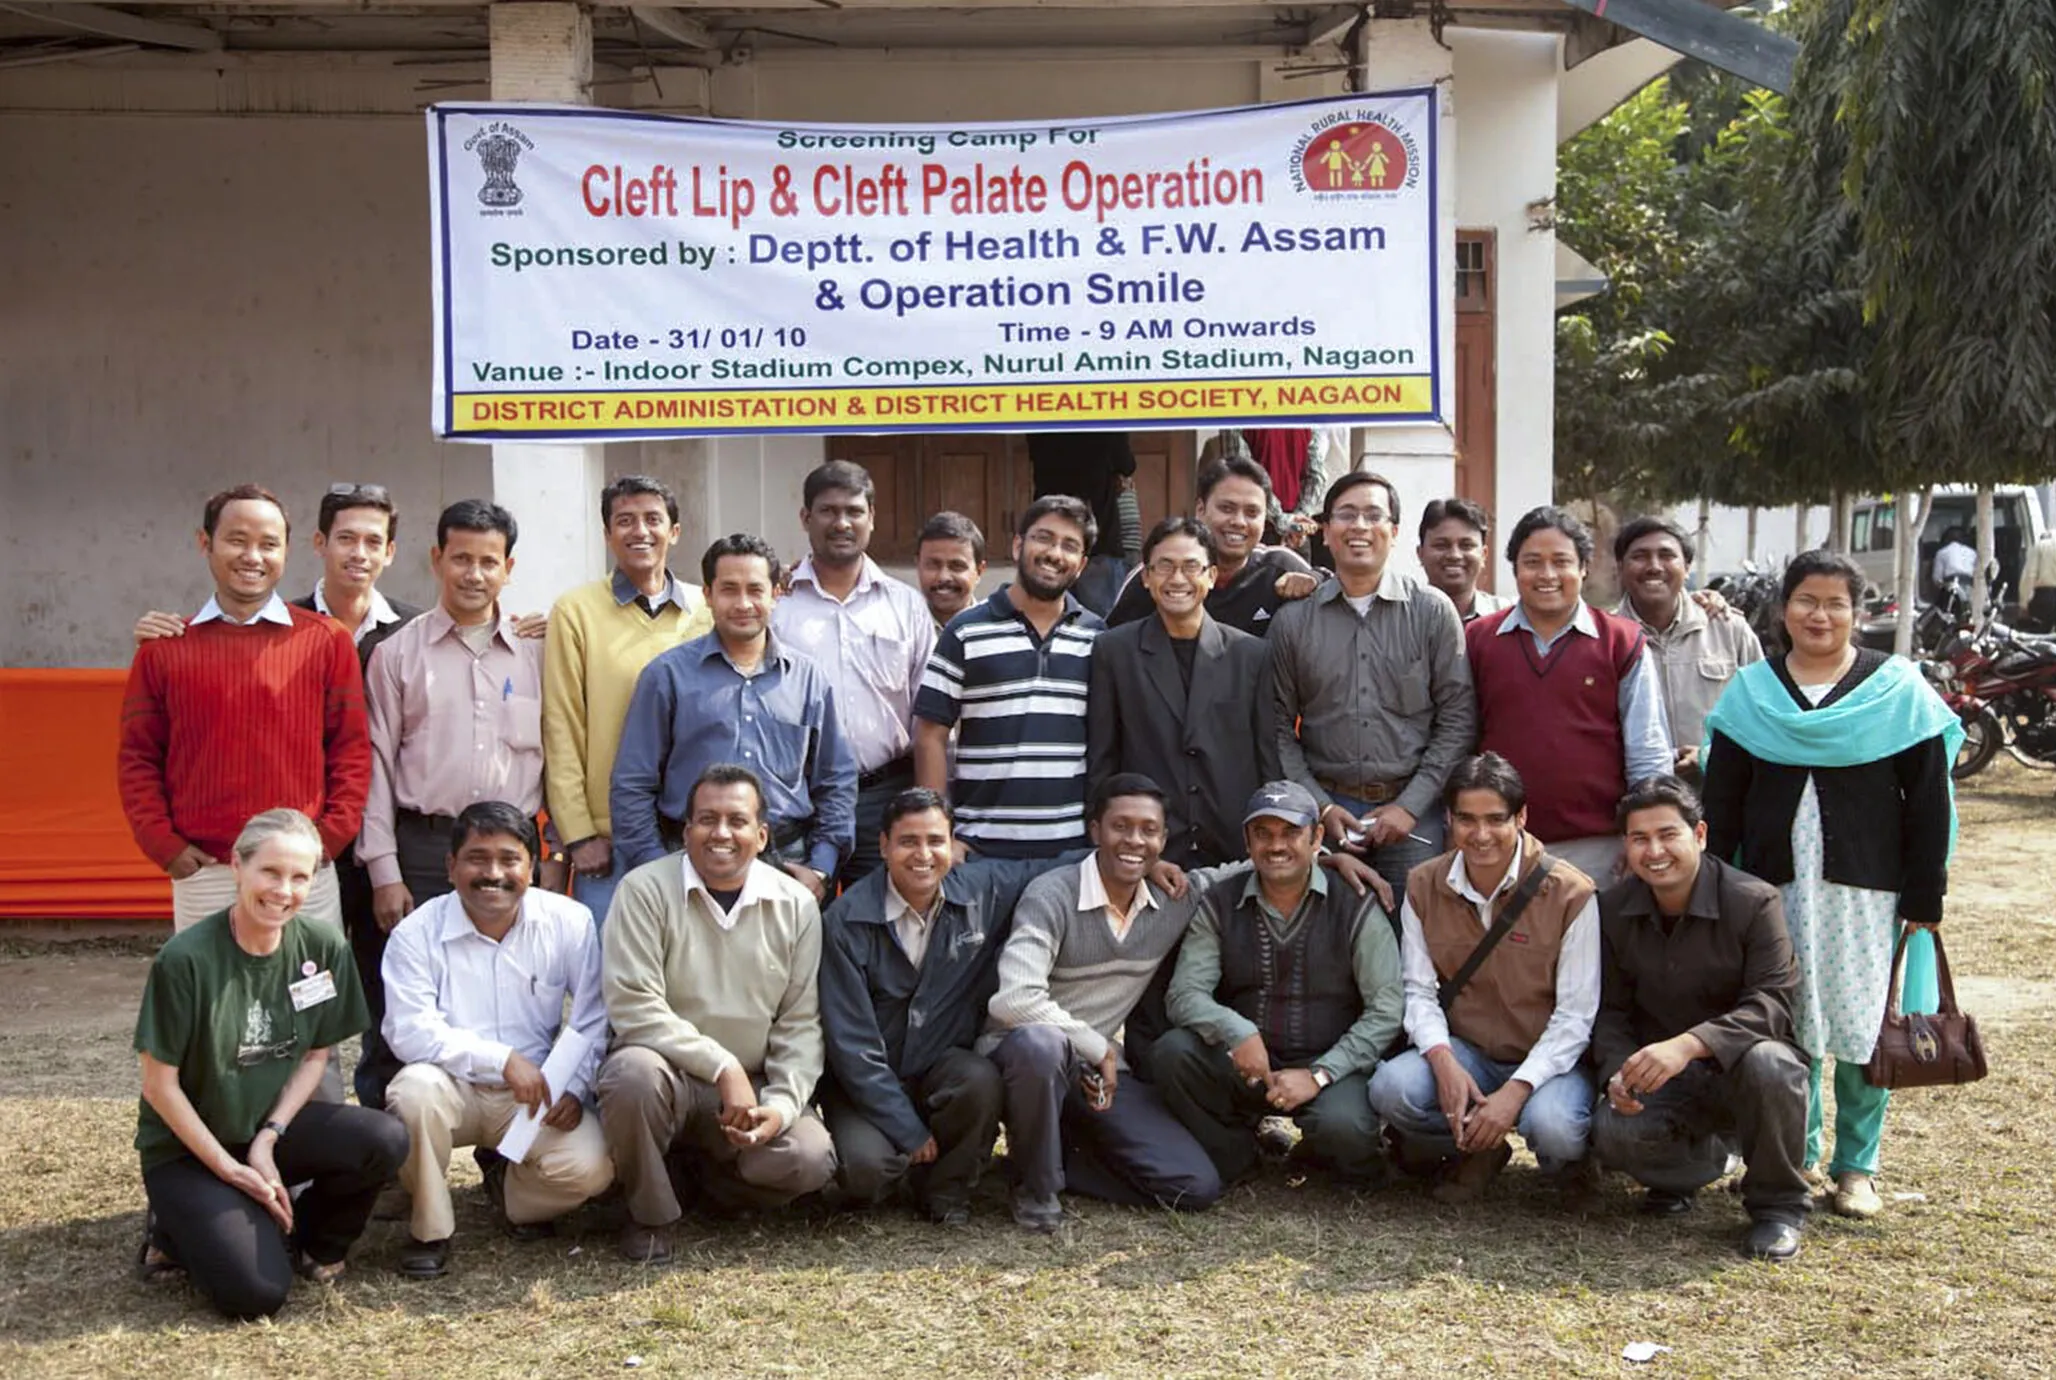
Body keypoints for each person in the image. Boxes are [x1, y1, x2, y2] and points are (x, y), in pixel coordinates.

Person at [1702, 548, 1959, 1221]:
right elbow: (1722, 804)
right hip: (1769, 891)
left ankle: (1856, 1168)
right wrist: (1717, 887)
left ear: (1858, 612)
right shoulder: (1751, 694)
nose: (1820, 615)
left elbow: (1929, 799)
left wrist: (1925, 898)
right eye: (1806, 600)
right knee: (1786, 1022)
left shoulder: (1895, 690)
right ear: (1783, 609)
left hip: (1866, 892)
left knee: (1865, 1025)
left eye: (1835, 603)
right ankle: (1794, 1155)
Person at [132, 809, 407, 1318]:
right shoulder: (185, 960)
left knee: (383, 1138)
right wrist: (231, 1170)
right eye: (270, 872)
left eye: (299, 877)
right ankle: (171, 1226)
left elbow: (317, 1054)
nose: (284, 890)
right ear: (237, 866)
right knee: (256, 1296)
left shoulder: (321, 946)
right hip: (189, 1150)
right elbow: (159, 1086)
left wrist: (268, 1139)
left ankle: (313, 1243)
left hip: (264, 1129)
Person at [598, 764, 836, 1261]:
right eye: (706, 819)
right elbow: (633, 1006)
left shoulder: (796, 904)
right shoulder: (644, 890)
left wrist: (784, 1105)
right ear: (685, 831)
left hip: (753, 1084)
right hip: (671, 1078)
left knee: (809, 1160)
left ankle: (702, 1185)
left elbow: (800, 1022)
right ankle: (650, 1214)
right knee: (631, 1076)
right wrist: (721, 1066)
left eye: (737, 820)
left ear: (762, 833)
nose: (721, 833)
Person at [118, 485, 370, 933]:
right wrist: (165, 846)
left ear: (287, 551)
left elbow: (351, 751)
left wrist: (326, 841)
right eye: (237, 540)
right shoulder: (164, 651)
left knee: (308, 999)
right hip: (206, 871)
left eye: (268, 544)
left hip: (301, 871)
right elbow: (138, 758)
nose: (252, 556)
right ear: (205, 543)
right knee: (212, 1002)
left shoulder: (327, 642)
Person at [982, 774, 1224, 1229]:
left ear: (1164, 840)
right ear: (1094, 830)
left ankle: (1057, 1159)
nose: (1135, 840)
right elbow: (1013, 999)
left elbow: (1259, 869)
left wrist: (1326, 860)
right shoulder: (1052, 894)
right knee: (1042, 1045)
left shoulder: (1173, 899)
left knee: (1194, 1184)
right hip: (1024, 1059)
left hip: (1098, 1074)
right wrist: (1099, 1046)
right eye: (1120, 826)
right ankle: (1037, 1190)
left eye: (1148, 830)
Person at [380, 801, 611, 1277]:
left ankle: (511, 1195)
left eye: (509, 859)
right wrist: (501, 1060)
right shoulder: (414, 934)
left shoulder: (570, 921)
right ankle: (430, 1229)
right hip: (453, 1087)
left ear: (533, 866)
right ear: (450, 867)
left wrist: (576, 1085)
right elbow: (408, 1029)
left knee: (592, 1167)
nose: (493, 873)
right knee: (412, 1093)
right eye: (477, 858)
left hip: (532, 1098)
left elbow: (593, 1015)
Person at [818, 788, 1069, 1224]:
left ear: (952, 845)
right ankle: (901, 1164)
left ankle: (946, 1190)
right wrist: (908, 1130)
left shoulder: (982, 889)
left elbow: (1050, 870)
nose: (923, 855)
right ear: (883, 846)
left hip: (941, 1067)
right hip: (866, 1084)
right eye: (908, 841)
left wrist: (1135, 863)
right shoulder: (845, 922)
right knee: (866, 1172)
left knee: (979, 1078)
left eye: (935, 841)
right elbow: (852, 1049)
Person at [1592, 776, 1811, 1262]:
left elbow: (1773, 1002)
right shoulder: (1610, 909)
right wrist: (1616, 1072)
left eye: (1668, 834)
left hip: (1742, 1074)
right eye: (1639, 839)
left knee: (1772, 1063)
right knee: (1611, 1130)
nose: (1654, 851)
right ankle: (1685, 1177)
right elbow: (1609, 1010)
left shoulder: (1754, 901)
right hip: (1662, 1079)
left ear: (1701, 834)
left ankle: (1778, 1207)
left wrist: (1690, 1044)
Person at [1368, 753, 1599, 1203]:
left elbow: (1575, 1016)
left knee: (1554, 1128)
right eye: (1467, 820)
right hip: (1468, 1051)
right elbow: (1418, 989)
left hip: (1548, 1059)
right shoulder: (1423, 883)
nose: (1481, 835)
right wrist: (1442, 1059)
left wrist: (1516, 1091)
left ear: (1522, 817)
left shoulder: (1572, 893)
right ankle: (1476, 1148)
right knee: (1392, 1090)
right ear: (1449, 819)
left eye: (1496, 819)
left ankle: (1571, 1167)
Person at [1153, 781, 1400, 1188]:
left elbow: (1386, 1009)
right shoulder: (1219, 901)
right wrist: (1237, 1031)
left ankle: (1317, 1153)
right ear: (1247, 841)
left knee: (1346, 1130)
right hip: (1248, 1064)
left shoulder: (1353, 903)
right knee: (1173, 1053)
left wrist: (1320, 1074)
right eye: (1263, 834)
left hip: (1332, 1066)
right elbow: (1184, 994)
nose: (1276, 846)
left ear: (1317, 838)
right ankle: (1237, 1152)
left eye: (1290, 833)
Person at [611, 534, 856, 903]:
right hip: (687, 861)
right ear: (708, 595)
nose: (743, 603)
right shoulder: (667, 676)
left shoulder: (809, 680)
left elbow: (836, 780)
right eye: (729, 590)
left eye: (755, 590)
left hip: (788, 862)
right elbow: (632, 781)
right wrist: (654, 868)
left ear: (777, 593)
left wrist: (821, 867)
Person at [1271, 470, 1476, 898]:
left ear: (1394, 531)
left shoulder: (1431, 613)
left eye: (1373, 515)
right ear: (1326, 532)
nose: (1360, 526)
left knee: (1412, 945)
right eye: (1346, 515)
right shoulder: (1293, 621)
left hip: (1414, 815)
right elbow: (1275, 727)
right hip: (1324, 815)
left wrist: (1410, 805)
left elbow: (1457, 720)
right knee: (1327, 946)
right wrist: (1321, 806)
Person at [359, 500, 545, 930]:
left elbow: (559, 758)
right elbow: (376, 768)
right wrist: (384, 872)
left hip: (514, 852)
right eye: (461, 559)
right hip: (424, 854)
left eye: (488, 562)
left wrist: (552, 854)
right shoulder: (396, 654)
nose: (474, 574)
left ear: (508, 567)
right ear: (437, 559)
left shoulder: (537, 652)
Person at [543, 475, 714, 929]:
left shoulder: (708, 608)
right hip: (609, 842)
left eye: (652, 520)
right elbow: (562, 727)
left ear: (674, 532)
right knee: (611, 985)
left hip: (696, 836)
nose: (640, 531)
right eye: (625, 521)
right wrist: (578, 834)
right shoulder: (575, 611)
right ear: (607, 534)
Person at [1467, 505, 1672, 881]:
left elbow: (1648, 753)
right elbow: (1462, 737)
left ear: (1583, 567)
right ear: (1514, 569)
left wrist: (1644, 834)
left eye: (1561, 561)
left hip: (1598, 847)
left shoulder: (1620, 642)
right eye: (1532, 562)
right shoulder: (1479, 640)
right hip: (1498, 843)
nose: (1547, 575)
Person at [772, 461, 937, 884]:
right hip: (799, 799)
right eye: (828, 511)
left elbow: (930, 718)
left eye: (854, 511)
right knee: (802, 929)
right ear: (806, 518)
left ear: (872, 517)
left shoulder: (905, 606)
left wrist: (926, 804)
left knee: (881, 928)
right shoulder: (778, 603)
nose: (842, 523)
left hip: (883, 795)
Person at [913, 497, 1103, 859]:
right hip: (979, 850)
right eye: (1043, 538)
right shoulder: (965, 631)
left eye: (1069, 546)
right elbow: (930, 735)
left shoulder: (1098, 637)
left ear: (1081, 565)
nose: (1054, 553)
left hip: (1071, 854)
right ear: (1018, 545)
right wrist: (939, 834)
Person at [1088, 517, 1277, 868]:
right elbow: (1103, 760)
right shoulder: (1113, 651)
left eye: (1191, 567)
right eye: (1165, 566)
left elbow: (1267, 757)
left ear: (1211, 576)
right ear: (1146, 576)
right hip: (1147, 852)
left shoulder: (1252, 655)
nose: (1177, 579)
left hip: (1233, 849)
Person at [1613, 517, 1764, 783]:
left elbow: (1763, 716)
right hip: (1636, 804)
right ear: (1620, 568)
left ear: (1687, 567)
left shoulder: (1730, 629)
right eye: (1639, 556)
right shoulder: (1605, 639)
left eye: (1667, 555)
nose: (1654, 566)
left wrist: (1708, 754)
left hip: (1719, 795)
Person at [1106, 456, 1319, 636]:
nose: (1239, 521)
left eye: (1252, 513)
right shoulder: (1159, 574)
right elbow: (1113, 646)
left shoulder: (1280, 566)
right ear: (1200, 509)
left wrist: (1315, 580)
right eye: (1227, 508)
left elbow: (1334, 592)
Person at [1025, 430, 1137, 615]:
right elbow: (1126, 464)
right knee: (1101, 621)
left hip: (1049, 532)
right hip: (1098, 535)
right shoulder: (1104, 418)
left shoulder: (1041, 417)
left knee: (1050, 616)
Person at [1197, 427, 1334, 550]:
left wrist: (1288, 520)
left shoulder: (1238, 412)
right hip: (1290, 531)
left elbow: (1244, 475)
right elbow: (1317, 476)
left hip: (1255, 530)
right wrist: (1299, 517)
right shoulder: (1304, 415)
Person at [1416, 497, 1510, 624]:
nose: (1454, 555)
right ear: (1420, 554)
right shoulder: (1402, 618)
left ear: (1484, 554)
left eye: (1466, 545)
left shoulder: (1507, 619)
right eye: (1441, 545)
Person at [914, 511, 989, 628]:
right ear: (918, 566)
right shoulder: (899, 629)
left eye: (957, 566)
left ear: (979, 571)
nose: (943, 577)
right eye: (933, 565)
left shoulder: (997, 633)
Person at [2021, 525, 2056, 631]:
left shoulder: (2040, 546)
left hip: (2044, 597)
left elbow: (2029, 576)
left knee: (2039, 636)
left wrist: (2024, 604)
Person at [1931, 526, 1976, 598]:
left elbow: (1937, 579)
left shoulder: (1942, 552)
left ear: (1945, 539)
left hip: (1951, 590)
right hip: (1971, 589)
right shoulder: (1972, 552)